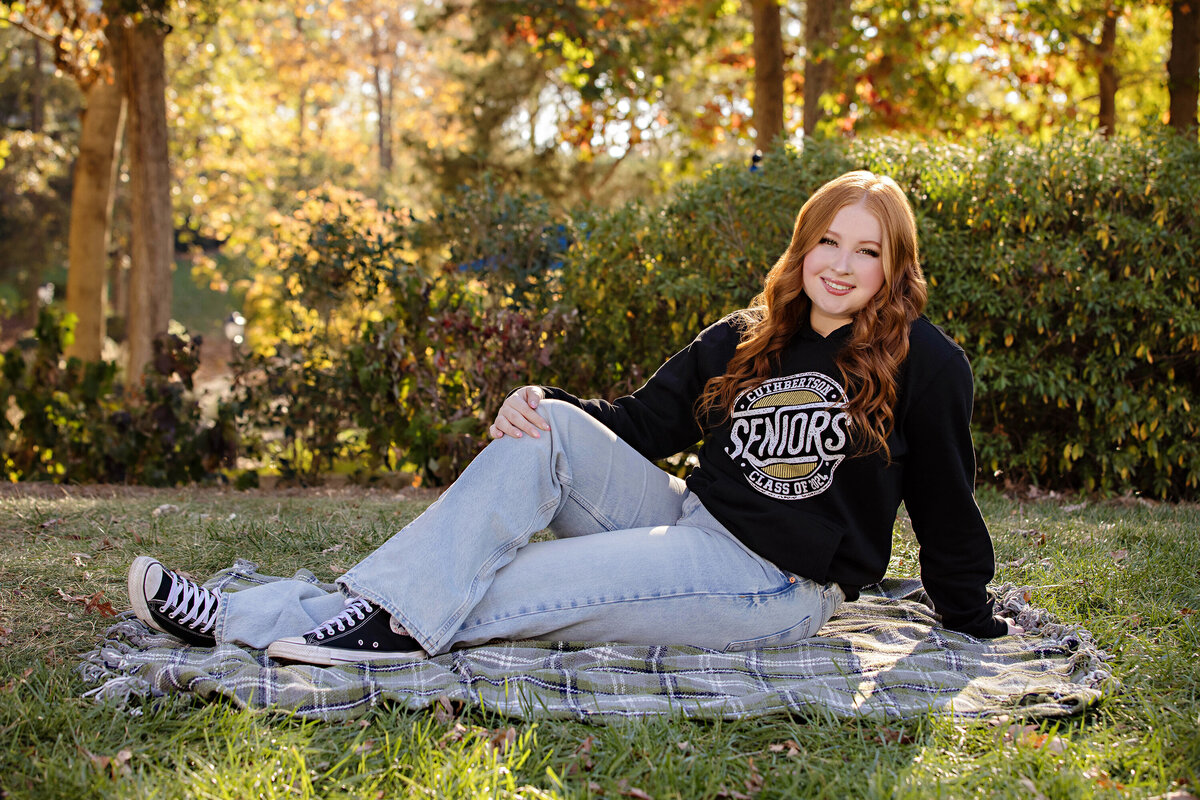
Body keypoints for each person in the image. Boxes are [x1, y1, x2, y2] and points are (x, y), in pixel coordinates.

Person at [126, 170, 1022, 666]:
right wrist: (538, 403)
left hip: (774, 586)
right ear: (802, 245)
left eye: (867, 250)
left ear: (894, 264)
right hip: (690, 521)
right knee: (546, 432)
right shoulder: (744, 338)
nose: (841, 264)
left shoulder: (927, 364)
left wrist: (967, 612)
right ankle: (361, 619)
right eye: (828, 240)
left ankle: (248, 619)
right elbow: (637, 425)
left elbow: (946, 502)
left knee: (498, 587)